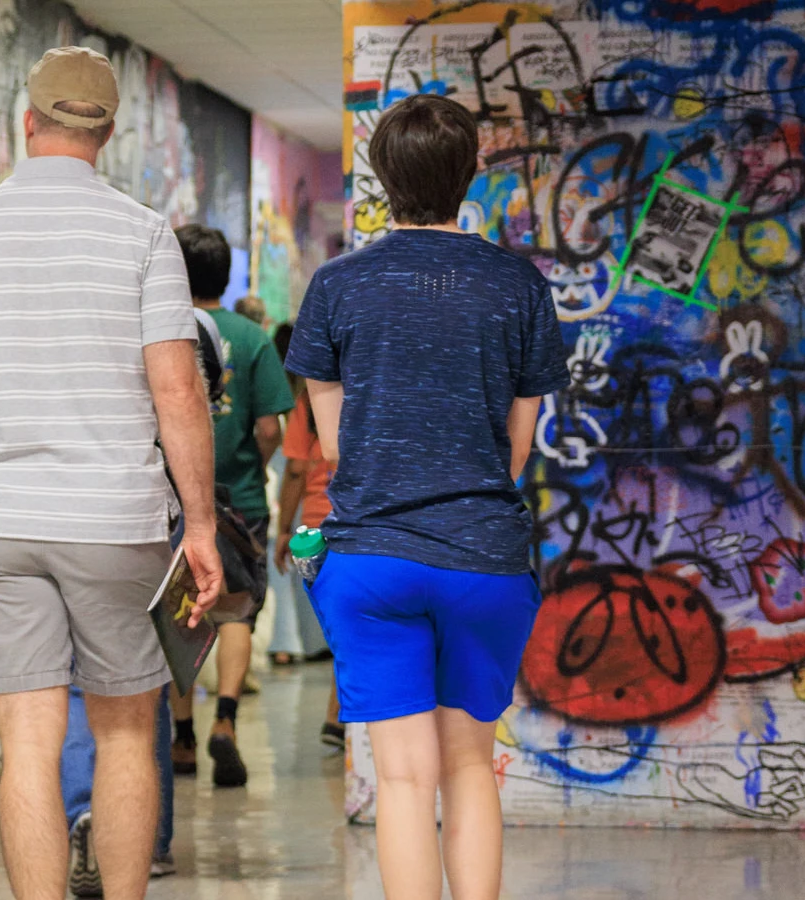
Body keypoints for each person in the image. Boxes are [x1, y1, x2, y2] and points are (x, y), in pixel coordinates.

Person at [0, 46, 223, 900]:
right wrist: (198, 523)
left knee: (29, 744)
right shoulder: (143, 233)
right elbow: (177, 389)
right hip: (114, 522)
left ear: (27, 122)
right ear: (109, 131)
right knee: (125, 736)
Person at [285, 93, 564, 900]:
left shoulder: (336, 287)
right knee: (471, 767)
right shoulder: (517, 285)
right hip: (484, 556)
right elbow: (516, 450)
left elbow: (335, 447)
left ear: (382, 177)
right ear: (470, 172)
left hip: (372, 561)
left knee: (404, 783)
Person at [169, 224, 295, 789]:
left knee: (180, 612)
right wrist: (247, 458)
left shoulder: (165, 331)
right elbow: (270, 425)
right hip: (239, 499)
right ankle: (225, 720)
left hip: (171, 500)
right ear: (225, 275)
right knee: (237, 610)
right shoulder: (252, 338)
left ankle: (182, 738)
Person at [273, 321, 346, 747]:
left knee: (338, 622)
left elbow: (297, 469)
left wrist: (284, 530)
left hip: (316, 529)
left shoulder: (309, 399)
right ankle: (340, 713)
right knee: (354, 623)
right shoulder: (366, 389)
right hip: (359, 523)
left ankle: (337, 715)